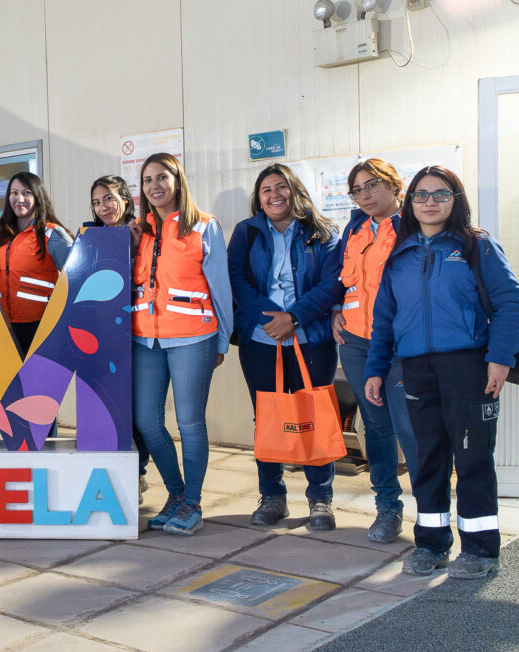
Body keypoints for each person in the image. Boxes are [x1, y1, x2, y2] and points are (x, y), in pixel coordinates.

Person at [365, 166, 519, 579]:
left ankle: (481, 551)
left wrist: (500, 357)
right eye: (421, 195)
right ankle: (432, 545)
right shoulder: (399, 256)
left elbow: (510, 303)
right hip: (415, 369)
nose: (430, 201)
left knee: (472, 460)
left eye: (440, 193)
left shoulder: (477, 247)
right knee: (428, 459)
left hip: (469, 367)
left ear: (456, 199)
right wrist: (376, 370)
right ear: (410, 202)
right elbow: (383, 320)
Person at [229, 163, 342, 531]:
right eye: (266, 189)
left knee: (315, 415)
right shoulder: (246, 232)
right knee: (268, 417)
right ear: (258, 198)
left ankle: (320, 500)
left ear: (295, 190)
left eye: (281, 187)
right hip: (262, 340)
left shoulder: (322, 232)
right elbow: (237, 280)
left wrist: (292, 318)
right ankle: (273, 496)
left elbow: (331, 285)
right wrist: (271, 319)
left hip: (311, 339)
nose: (274, 195)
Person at [130, 155, 232, 534]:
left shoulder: (204, 227)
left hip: (193, 337)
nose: (154, 185)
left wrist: (222, 340)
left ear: (178, 180)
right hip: (146, 339)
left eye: (162, 177)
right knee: (147, 422)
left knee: (189, 422)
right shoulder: (139, 231)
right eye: (147, 180)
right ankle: (175, 494)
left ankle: (192, 503)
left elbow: (221, 290)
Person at [333, 159, 418, 544]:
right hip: (355, 342)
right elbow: (346, 281)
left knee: (411, 428)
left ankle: (431, 510)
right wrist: (336, 311)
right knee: (377, 425)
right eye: (357, 189)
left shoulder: (413, 226)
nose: (365, 195)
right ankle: (387, 507)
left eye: (372, 186)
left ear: (394, 185)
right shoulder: (354, 228)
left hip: (399, 344)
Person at [87, 175, 150, 501]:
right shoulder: (91, 235)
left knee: (138, 409)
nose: (103, 207)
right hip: (104, 335)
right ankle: (111, 474)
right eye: (97, 202)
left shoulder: (144, 232)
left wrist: (135, 247)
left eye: (108, 199)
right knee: (109, 406)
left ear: (125, 198)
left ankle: (137, 474)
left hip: (141, 332)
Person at [0, 171, 74, 353]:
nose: (20, 198)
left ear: (37, 196)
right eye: (14, 192)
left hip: (42, 327)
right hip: (3, 327)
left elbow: (76, 279)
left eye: (26, 192)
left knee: (40, 381)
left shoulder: (52, 234)